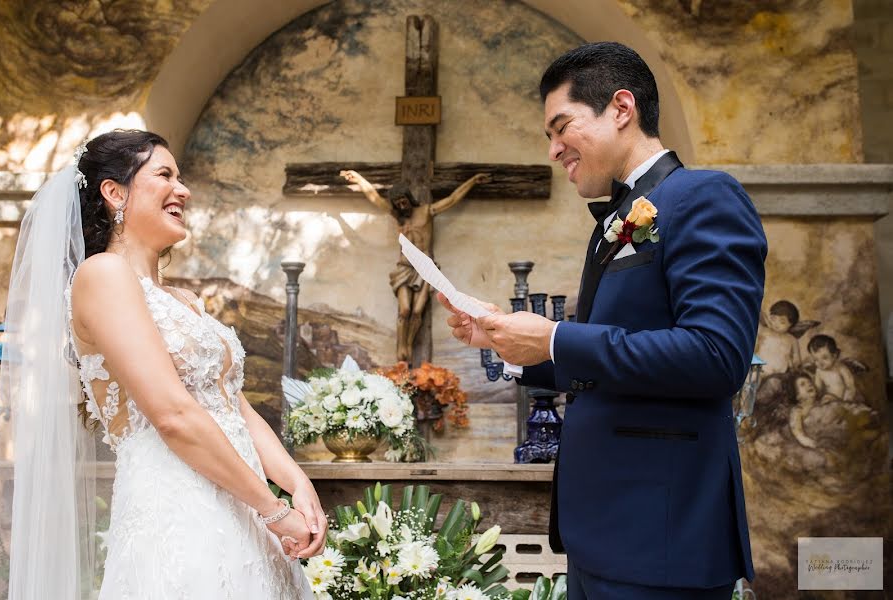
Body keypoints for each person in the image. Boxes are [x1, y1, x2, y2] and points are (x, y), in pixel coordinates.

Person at [439, 42, 766, 599]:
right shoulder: (615, 220)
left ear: (621, 108)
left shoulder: (703, 196)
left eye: (561, 126)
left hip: (661, 533)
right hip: (600, 535)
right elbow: (606, 362)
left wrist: (558, 338)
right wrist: (508, 345)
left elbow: (716, 356)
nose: (552, 150)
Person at [0, 130, 324, 598]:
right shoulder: (102, 276)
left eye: (181, 177)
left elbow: (235, 408)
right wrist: (273, 509)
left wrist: (296, 482)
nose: (183, 190)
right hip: (181, 512)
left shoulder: (185, 300)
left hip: (245, 510)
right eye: (165, 175)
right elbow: (171, 415)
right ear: (114, 192)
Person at [340, 169, 489, 362]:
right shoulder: (398, 216)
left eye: (404, 200)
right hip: (404, 268)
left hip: (425, 268)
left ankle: (408, 343)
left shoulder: (426, 211)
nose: (402, 205)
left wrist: (473, 180)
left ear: (409, 198)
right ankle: (401, 345)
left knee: (417, 311)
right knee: (404, 310)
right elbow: (374, 197)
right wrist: (359, 179)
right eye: (398, 203)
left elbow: (452, 199)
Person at [806, 334, 857, 402]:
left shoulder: (841, 368)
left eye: (824, 358)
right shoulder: (819, 371)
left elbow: (850, 387)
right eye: (816, 359)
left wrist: (846, 400)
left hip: (845, 400)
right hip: (831, 401)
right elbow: (818, 389)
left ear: (834, 355)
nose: (820, 363)